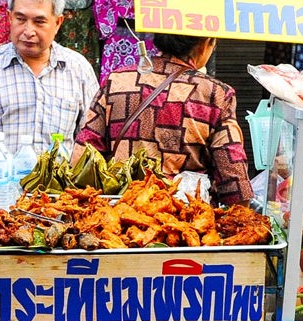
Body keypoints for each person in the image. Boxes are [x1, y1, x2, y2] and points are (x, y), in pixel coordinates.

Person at [75, 33, 252, 205]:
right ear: (205, 44)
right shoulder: (215, 93)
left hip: (119, 217)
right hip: (182, 221)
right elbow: (233, 179)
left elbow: (83, 156)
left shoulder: (118, 80)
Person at [0, 0, 97, 155]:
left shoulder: (79, 69)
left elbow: (93, 141)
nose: (28, 31)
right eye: (21, 19)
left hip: (59, 179)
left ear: (57, 22)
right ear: (10, 18)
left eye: (39, 22)